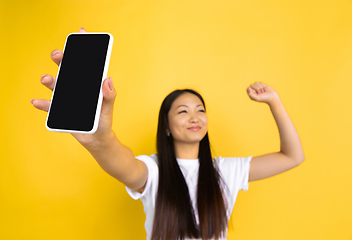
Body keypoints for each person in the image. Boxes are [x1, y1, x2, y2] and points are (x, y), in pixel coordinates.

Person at [31, 28, 305, 240]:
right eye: (183, 112)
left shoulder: (225, 170)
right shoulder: (153, 171)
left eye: (200, 110)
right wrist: (100, 140)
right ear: (166, 125)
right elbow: (123, 164)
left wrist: (275, 102)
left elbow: (292, 156)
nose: (195, 117)